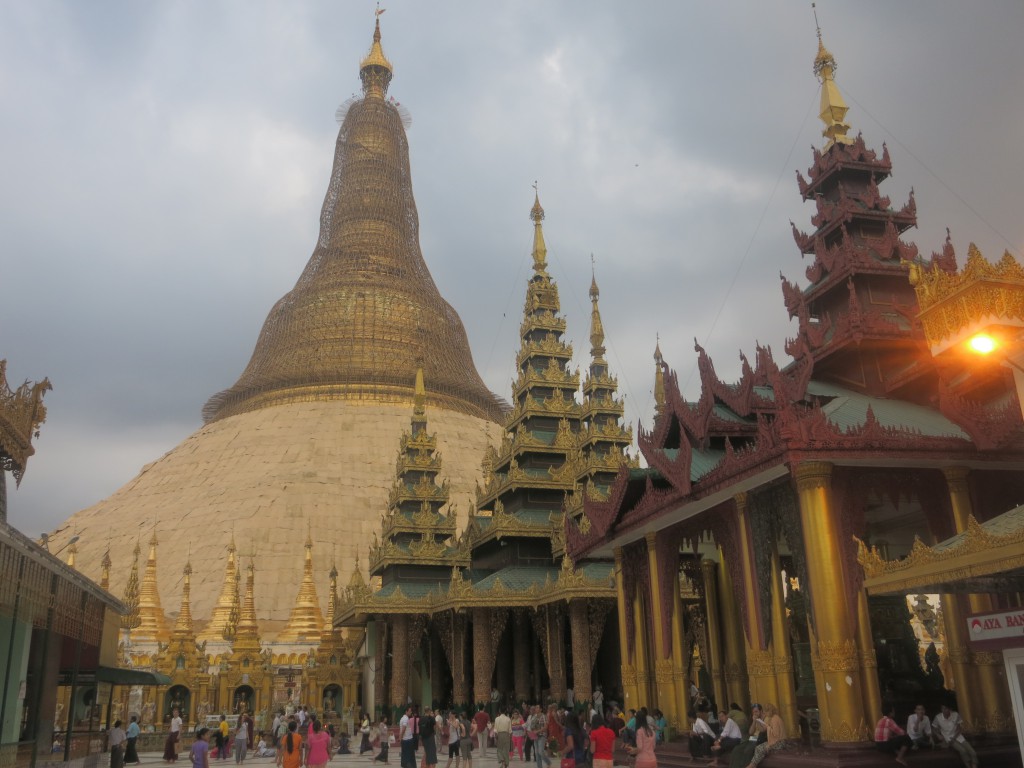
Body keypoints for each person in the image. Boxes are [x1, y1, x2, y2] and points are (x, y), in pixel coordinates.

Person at [743, 703, 792, 768]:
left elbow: (772, 733)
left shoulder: (773, 719)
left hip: (774, 740)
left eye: (756, 711)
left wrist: (766, 726)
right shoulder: (770, 718)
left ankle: (752, 765)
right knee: (744, 745)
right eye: (753, 712)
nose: (765, 713)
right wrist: (755, 721)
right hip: (755, 738)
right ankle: (752, 764)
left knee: (753, 748)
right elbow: (750, 732)